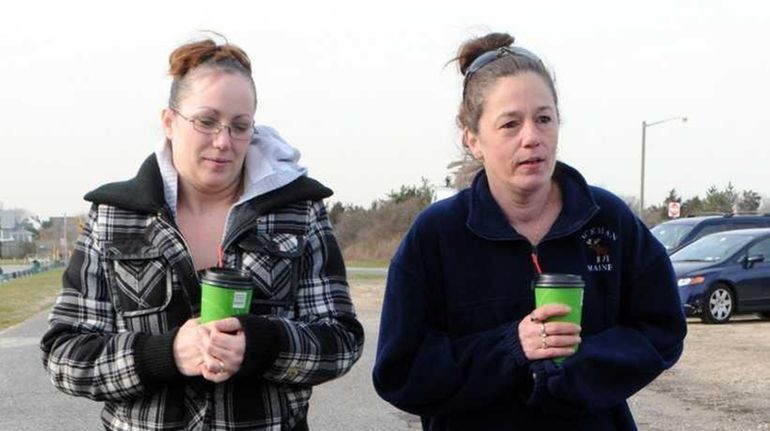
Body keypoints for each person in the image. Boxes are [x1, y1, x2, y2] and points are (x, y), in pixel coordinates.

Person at [41, 36, 364, 431]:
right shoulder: (115, 216)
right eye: (207, 121)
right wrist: (164, 354)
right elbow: (64, 355)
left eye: (239, 126)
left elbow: (341, 341)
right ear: (169, 122)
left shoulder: (297, 210)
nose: (223, 141)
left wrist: (262, 346)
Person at [372, 32, 686, 430]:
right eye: (509, 124)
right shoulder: (437, 234)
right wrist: (510, 348)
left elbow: (661, 330)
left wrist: (572, 371)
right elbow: (401, 374)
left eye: (543, 118)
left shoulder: (607, 219)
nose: (532, 138)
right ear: (473, 139)